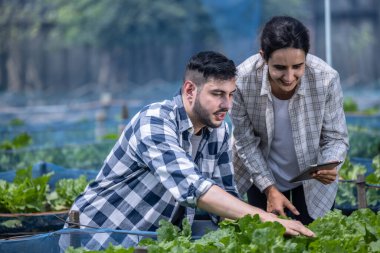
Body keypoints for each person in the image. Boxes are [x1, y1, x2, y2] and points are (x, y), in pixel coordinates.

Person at [63, 51, 314, 250]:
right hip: (96, 239)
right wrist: (264, 218)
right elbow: (192, 188)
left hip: (149, 244)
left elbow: (226, 197)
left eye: (230, 94)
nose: (227, 104)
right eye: (217, 94)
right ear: (190, 90)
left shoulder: (218, 131)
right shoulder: (155, 121)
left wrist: (267, 237)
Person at [230, 16, 349, 225]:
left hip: (311, 175)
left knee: (315, 238)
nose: (289, 76)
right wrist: (269, 188)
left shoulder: (326, 79)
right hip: (259, 172)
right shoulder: (242, 81)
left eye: (297, 66)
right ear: (263, 57)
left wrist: (330, 164)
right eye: (279, 68)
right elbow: (245, 142)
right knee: (264, 240)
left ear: (306, 57)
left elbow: (336, 137)